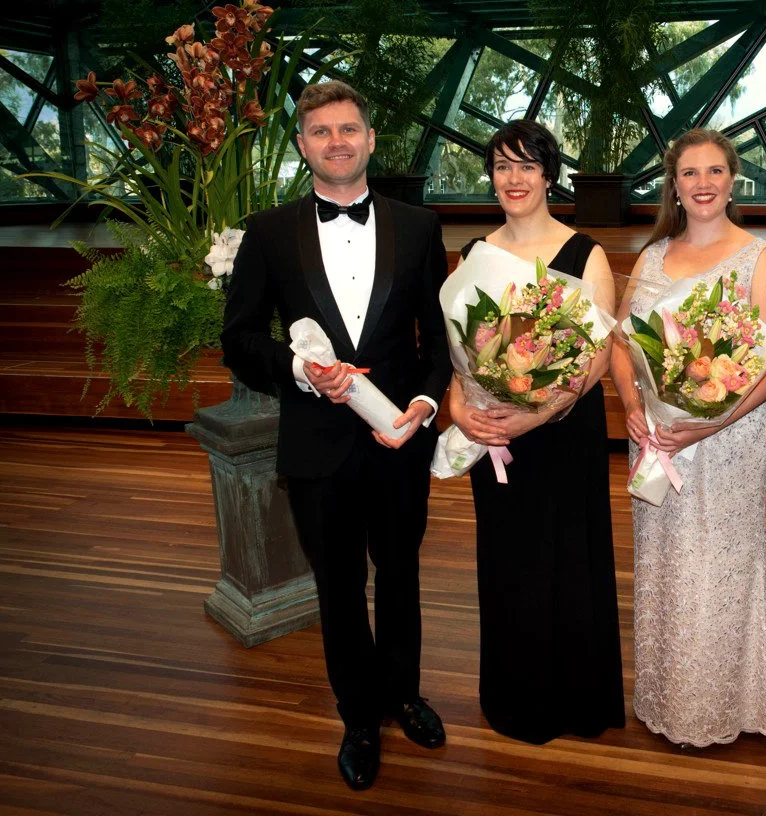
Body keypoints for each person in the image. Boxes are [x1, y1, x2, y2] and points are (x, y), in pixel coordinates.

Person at [220, 80, 451, 790]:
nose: (338, 142)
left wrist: (422, 402)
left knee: (403, 573)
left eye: (349, 129)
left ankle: (404, 693)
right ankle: (358, 716)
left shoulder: (419, 226)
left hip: (396, 437)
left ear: (371, 139)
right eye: (321, 132)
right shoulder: (267, 231)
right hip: (316, 442)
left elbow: (439, 341)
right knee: (340, 585)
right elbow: (236, 338)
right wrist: (296, 368)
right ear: (302, 144)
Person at [609, 128, 766, 747]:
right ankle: (669, 687)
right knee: (665, 559)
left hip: (730, 437)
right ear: (675, 184)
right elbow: (621, 342)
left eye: (714, 172)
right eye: (690, 173)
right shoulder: (652, 257)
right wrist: (629, 408)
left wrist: (713, 420)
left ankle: (726, 692)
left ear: (732, 180)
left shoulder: (759, 258)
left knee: (722, 561)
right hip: (659, 436)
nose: (702, 184)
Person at [445, 119, 625, 745]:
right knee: (508, 562)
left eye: (526, 165)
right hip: (497, 431)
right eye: (501, 166)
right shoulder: (474, 257)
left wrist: (538, 413)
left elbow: (597, 357)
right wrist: (458, 409)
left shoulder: (585, 252)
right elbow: (458, 355)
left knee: (569, 556)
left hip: (563, 431)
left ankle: (576, 699)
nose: (513, 179)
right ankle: (513, 694)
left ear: (549, 174)